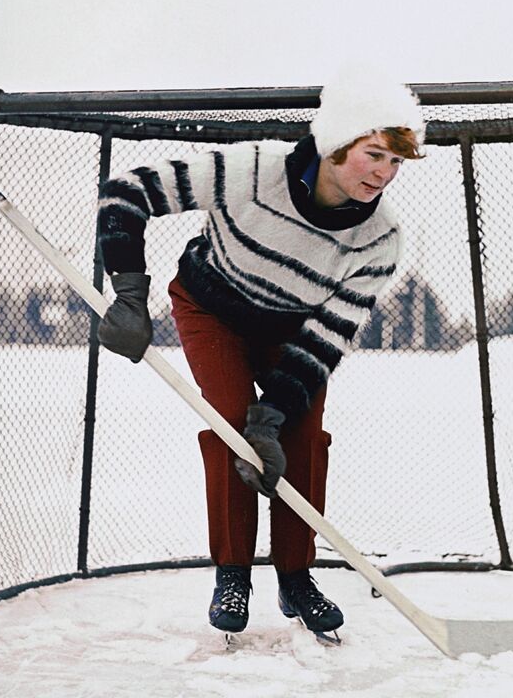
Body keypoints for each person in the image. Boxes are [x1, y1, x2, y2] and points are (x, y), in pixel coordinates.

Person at [96, 67, 425, 638]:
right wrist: (127, 293)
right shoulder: (251, 170)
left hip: (292, 332)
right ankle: (232, 573)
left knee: (301, 436)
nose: (385, 173)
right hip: (212, 309)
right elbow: (128, 191)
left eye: (396, 162)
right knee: (228, 424)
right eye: (374, 154)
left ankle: (297, 575)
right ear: (335, 143)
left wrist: (273, 415)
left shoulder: (382, 240)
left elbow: (326, 338)